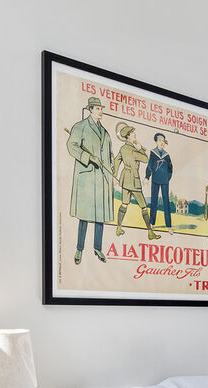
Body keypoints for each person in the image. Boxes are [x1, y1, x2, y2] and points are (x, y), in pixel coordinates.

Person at [65, 97, 114, 265]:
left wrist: (111, 169)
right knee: (84, 216)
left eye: (101, 108)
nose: (101, 111)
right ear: (91, 109)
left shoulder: (105, 132)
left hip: (102, 179)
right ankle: (79, 248)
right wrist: (89, 157)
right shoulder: (80, 127)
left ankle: (98, 247)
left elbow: (110, 154)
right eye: (98, 108)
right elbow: (72, 146)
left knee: (100, 216)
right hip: (87, 177)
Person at [112, 123, 161, 240]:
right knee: (143, 206)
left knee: (124, 204)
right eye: (132, 133)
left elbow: (116, 161)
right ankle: (150, 232)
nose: (135, 135)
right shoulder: (132, 150)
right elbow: (146, 159)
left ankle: (118, 228)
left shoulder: (123, 148)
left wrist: (114, 176)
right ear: (128, 136)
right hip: (133, 180)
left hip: (125, 179)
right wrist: (141, 149)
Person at [145, 132, 174, 234]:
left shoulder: (167, 156)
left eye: (163, 140)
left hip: (165, 181)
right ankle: (152, 223)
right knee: (154, 201)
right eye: (160, 140)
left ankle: (169, 226)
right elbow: (149, 166)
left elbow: (171, 168)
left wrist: (167, 177)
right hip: (155, 180)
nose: (162, 142)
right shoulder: (153, 153)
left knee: (166, 203)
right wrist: (147, 177)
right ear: (156, 142)